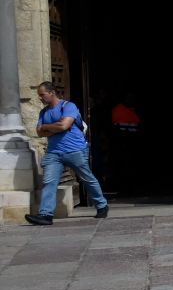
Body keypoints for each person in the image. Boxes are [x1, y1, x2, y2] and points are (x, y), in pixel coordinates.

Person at [26, 81, 110, 225]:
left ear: (52, 92)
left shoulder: (68, 106)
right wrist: (54, 126)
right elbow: (39, 132)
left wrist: (48, 127)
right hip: (54, 153)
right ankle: (45, 215)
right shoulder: (43, 112)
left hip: (75, 150)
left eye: (42, 94)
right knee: (49, 182)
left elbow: (64, 125)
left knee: (87, 178)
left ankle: (102, 205)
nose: (40, 98)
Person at [108, 92, 143, 195]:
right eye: (129, 98)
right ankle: (124, 189)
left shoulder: (133, 110)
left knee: (131, 166)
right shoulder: (118, 109)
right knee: (123, 166)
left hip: (132, 142)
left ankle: (131, 188)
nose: (131, 100)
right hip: (122, 143)